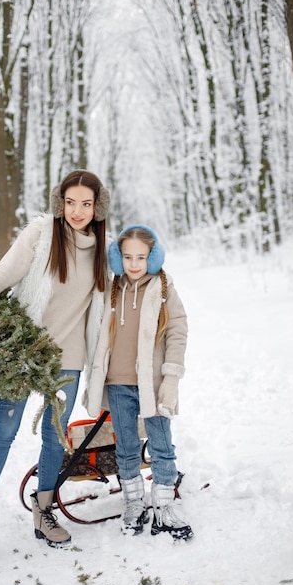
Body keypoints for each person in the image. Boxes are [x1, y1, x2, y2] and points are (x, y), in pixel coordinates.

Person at [0, 169, 111, 560]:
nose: (77, 211)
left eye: (86, 204)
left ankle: (44, 508)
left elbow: (136, 280)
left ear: (97, 207)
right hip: (26, 351)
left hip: (68, 359)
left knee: (55, 436)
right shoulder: (39, 235)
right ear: (60, 203)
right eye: (70, 203)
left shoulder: (106, 251)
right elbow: (4, 274)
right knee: (4, 429)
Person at [86, 225, 193, 541]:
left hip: (153, 383)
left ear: (154, 256)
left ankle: (163, 506)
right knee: (126, 446)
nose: (134, 264)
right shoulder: (112, 286)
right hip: (117, 382)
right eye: (128, 257)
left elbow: (178, 329)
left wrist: (171, 378)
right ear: (118, 258)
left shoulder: (162, 288)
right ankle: (133, 501)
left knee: (161, 444)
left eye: (142, 257)